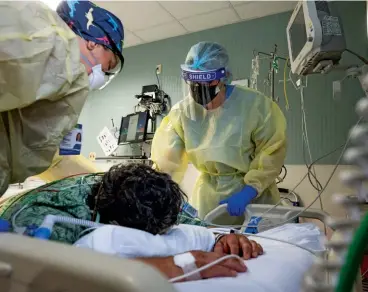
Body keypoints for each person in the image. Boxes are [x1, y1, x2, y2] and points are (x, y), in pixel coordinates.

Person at [0, 163, 262, 281]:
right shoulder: (43, 219)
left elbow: (187, 221)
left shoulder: (147, 195)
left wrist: (221, 237)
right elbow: (42, 277)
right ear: (111, 223)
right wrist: (172, 266)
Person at [151, 41, 287, 224]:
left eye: (207, 82)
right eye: (194, 83)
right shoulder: (181, 114)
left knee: (259, 247)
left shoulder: (256, 106)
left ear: (223, 78)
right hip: (209, 201)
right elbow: (167, 162)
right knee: (213, 246)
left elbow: (272, 151)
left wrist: (249, 190)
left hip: (254, 199)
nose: (199, 89)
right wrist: (156, 191)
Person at [0, 0, 124, 196]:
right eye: (107, 65)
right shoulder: (58, 48)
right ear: (93, 42)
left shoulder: (56, 70)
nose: (102, 75)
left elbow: (38, 145)